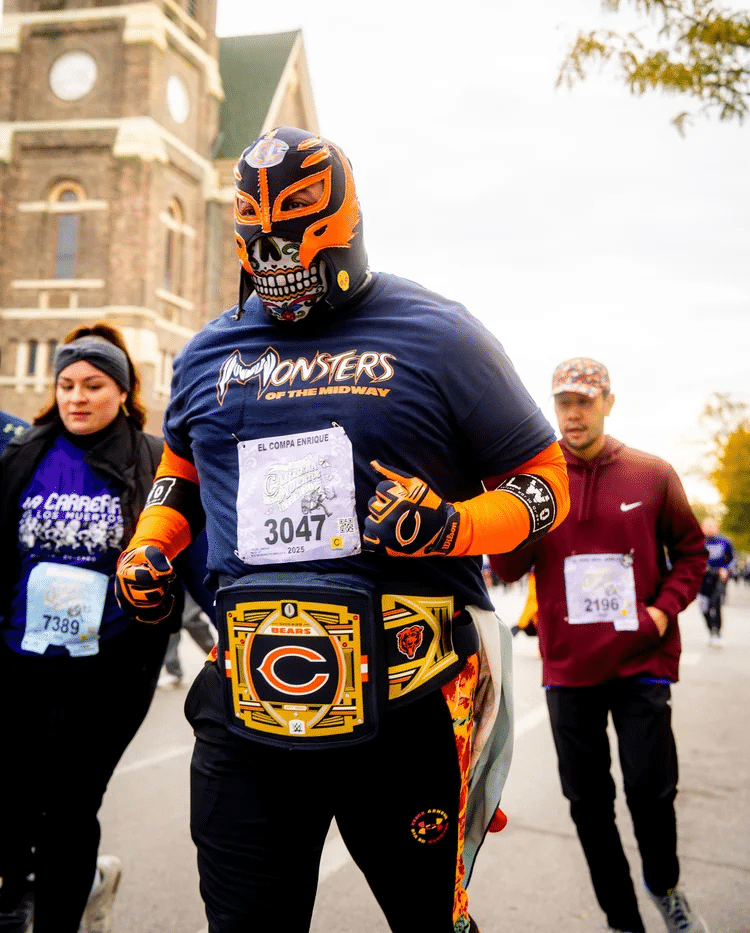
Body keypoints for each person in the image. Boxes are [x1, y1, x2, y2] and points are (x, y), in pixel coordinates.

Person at [115, 125, 571, 933]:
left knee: (431, 921)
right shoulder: (207, 350)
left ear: (347, 229)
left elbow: (545, 481)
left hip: (408, 703)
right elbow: (178, 476)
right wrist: (150, 545)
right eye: (264, 255)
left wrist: (453, 524)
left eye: (300, 251)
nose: (282, 277)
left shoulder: (442, 334)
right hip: (249, 701)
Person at [0, 323, 207, 933]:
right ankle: (18, 898)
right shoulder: (24, 454)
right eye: (66, 384)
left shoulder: (150, 461)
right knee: (12, 797)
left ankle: (58, 917)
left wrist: (229, 628)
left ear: (122, 391)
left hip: (110, 666)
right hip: (18, 656)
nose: (77, 397)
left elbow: (190, 552)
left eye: (93, 385)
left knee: (68, 805)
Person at [491, 356, 709, 933]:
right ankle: (623, 920)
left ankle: (665, 886)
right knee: (589, 806)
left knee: (650, 791)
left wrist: (663, 612)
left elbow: (692, 553)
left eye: (584, 401)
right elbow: (508, 567)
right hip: (568, 670)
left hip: (641, 662)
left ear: (608, 402)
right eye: (563, 401)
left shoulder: (651, 474)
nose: (572, 412)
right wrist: (504, 500)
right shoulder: (539, 483)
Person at [697, 516, 735, 647]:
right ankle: (710, 630)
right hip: (703, 578)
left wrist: (726, 569)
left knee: (716, 603)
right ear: (702, 527)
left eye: (712, 526)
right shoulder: (698, 542)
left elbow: (732, 560)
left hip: (719, 578)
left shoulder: (725, 542)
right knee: (703, 606)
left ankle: (717, 632)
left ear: (716, 527)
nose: (709, 528)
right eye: (706, 526)